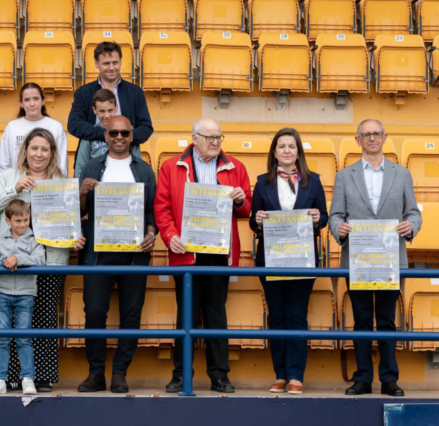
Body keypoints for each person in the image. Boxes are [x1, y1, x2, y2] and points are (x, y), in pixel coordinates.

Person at [154, 118, 252, 394]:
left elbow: (247, 210)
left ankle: (219, 375)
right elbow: (162, 208)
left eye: (219, 137)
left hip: (219, 253)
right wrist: (171, 236)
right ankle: (181, 375)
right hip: (186, 253)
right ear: (194, 138)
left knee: (216, 315)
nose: (215, 142)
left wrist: (240, 200)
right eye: (209, 137)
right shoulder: (171, 166)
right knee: (185, 316)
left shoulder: (236, 166)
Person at [0, 128, 87, 392]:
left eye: (45, 149)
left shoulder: (61, 182)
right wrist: (15, 189)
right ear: (25, 150)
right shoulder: (9, 177)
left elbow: (70, 222)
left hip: (50, 262)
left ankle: (41, 375)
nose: (39, 154)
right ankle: (10, 376)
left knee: (44, 319)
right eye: (34, 148)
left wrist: (74, 238)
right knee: (11, 323)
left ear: (52, 153)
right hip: (10, 263)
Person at [329, 119, 422, 397]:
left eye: (376, 133)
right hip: (357, 261)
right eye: (366, 134)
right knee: (360, 320)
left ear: (384, 137)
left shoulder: (402, 174)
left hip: (390, 261)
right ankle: (363, 379)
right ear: (358, 140)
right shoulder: (344, 176)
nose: (372, 138)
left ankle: (389, 379)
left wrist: (411, 226)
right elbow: (335, 216)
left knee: (386, 320)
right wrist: (338, 229)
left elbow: (414, 212)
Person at [77, 116, 157, 394]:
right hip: (97, 255)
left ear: (132, 136)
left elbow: (152, 211)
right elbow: (78, 212)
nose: (119, 137)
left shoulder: (144, 170)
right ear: (106, 136)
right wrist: (82, 194)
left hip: (134, 255)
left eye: (124, 132)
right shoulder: (91, 166)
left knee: (131, 315)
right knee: (94, 313)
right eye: (114, 133)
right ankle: (96, 373)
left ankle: (120, 373)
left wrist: (151, 234)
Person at [249, 128, 328, 395]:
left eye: (291, 146)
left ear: (298, 151)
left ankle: (296, 376)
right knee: (277, 316)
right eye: (281, 146)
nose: (286, 151)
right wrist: (257, 219)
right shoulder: (262, 182)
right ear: (274, 152)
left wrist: (317, 218)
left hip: (302, 258)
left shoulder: (313, 181)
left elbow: (324, 218)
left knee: (296, 315)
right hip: (271, 258)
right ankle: (280, 375)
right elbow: (253, 222)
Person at [0, 200, 46, 396]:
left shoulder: (35, 239)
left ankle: (28, 378)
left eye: (26, 220)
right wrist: (5, 261)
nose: (22, 224)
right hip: (1, 293)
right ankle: (0, 379)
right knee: (2, 339)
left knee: (24, 338)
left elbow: (40, 260)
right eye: (18, 220)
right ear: (8, 221)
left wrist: (18, 259)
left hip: (26, 294)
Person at [67, 41, 153, 171]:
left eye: (115, 62)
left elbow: (146, 128)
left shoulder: (135, 92)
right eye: (106, 63)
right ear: (96, 63)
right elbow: (74, 125)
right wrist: (106, 135)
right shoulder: (83, 92)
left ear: (121, 62)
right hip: (92, 163)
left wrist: (123, 138)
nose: (112, 68)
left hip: (127, 163)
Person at [0, 82, 68, 176]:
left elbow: (61, 164)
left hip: (48, 183)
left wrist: (59, 182)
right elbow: (3, 165)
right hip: (17, 183)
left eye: (36, 99)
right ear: (21, 103)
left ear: (43, 101)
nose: (32, 104)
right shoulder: (12, 127)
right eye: (27, 100)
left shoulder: (56, 127)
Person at [75, 89, 137, 179]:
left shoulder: (127, 129)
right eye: (102, 111)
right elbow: (81, 165)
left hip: (125, 178)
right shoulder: (89, 132)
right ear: (94, 110)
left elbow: (137, 160)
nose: (107, 115)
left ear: (116, 108)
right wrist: (80, 184)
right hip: (96, 180)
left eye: (110, 110)